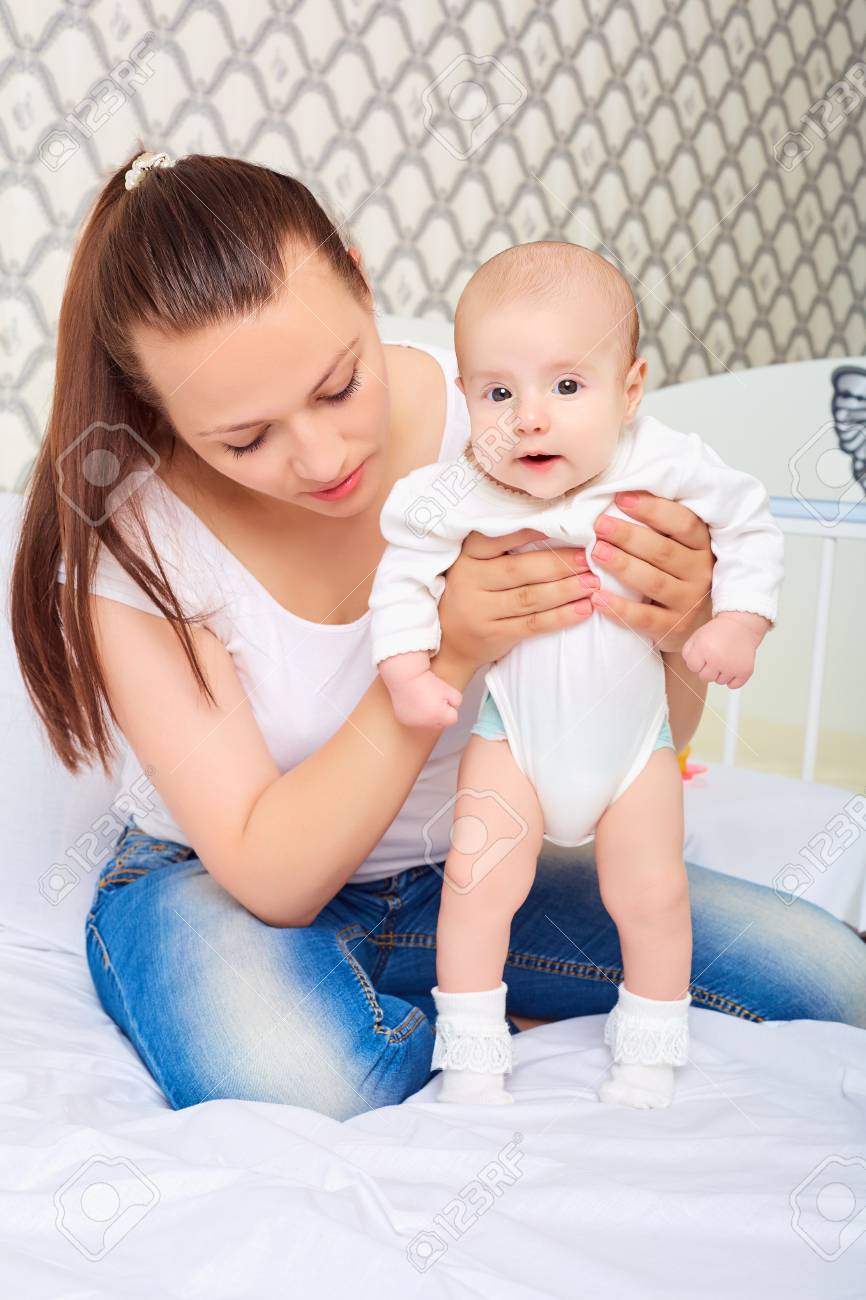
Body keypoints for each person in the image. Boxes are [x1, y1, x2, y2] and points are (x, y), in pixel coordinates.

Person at [10, 150, 866, 1121]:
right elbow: (271, 873)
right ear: (160, 413)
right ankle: (465, 1009)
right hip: (224, 881)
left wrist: (671, 631)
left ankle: (455, 986)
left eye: (339, 384)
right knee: (306, 1083)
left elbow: (633, 734)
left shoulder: (507, 409)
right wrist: (443, 652)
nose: (322, 455)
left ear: (361, 277)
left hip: (465, 849)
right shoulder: (140, 541)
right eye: (244, 440)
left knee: (830, 984)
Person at [369, 241, 784, 1108]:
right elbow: (404, 564)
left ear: (629, 392)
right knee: (478, 889)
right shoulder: (464, 488)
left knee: (654, 894)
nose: (529, 419)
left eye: (566, 386)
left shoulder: (661, 462)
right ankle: (475, 1055)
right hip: (510, 741)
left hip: (635, 749)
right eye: (498, 393)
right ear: (466, 399)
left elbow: (749, 521)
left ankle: (648, 1048)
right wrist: (408, 666)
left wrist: (738, 618)